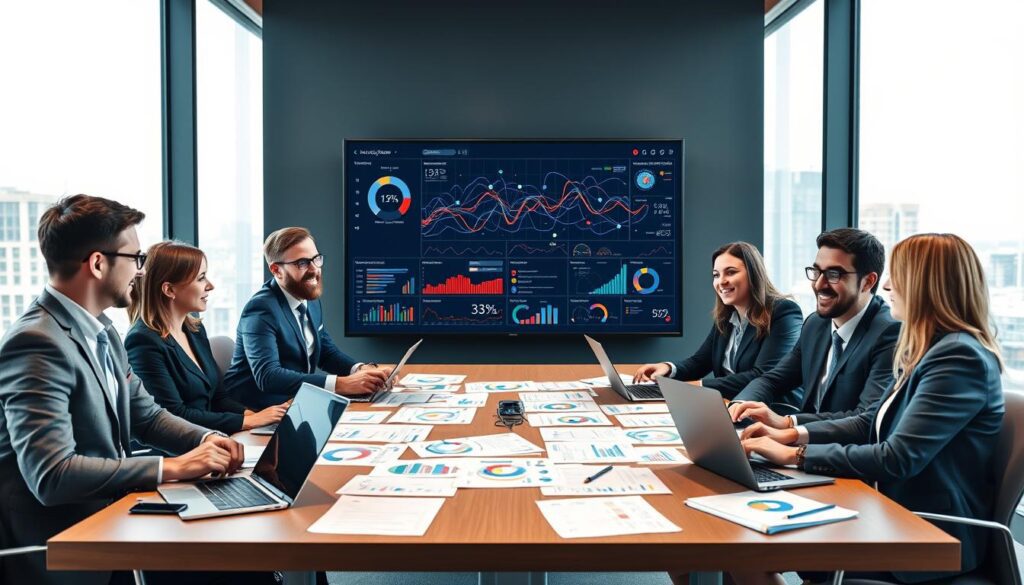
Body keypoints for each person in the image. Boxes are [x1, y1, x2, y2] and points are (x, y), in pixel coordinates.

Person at [0, 195, 246, 585]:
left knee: (240, 553)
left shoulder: (102, 331)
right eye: (136, 258)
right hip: (62, 546)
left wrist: (210, 438)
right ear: (98, 264)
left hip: (111, 518)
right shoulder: (36, 343)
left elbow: (146, 415)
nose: (140, 271)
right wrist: (172, 467)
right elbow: (52, 474)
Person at [741, 233, 1005, 584]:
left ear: (927, 285)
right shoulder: (927, 349)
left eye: (898, 275)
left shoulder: (958, 357)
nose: (889, 285)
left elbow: (897, 457)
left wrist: (794, 456)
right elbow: (869, 425)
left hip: (926, 531)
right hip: (890, 511)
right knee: (745, 541)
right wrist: (786, 435)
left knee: (751, 550)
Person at [728, 228, 901, 427]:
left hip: (841, 453)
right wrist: (740, 406)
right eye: (817, 271)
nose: (819, 284)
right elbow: (772, 380)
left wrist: (787, 423)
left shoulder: (889, 333)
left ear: (868, 282)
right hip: (799, 446)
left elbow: (864, 418)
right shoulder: (816, 324)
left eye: (834, 274)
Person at [125, 241, 288, 435]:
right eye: (201, 278)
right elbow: (173, 415)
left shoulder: (194, 330)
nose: (210, 285)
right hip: (183, 448)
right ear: (169, 290)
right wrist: (247, 421)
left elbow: (218, 398)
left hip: (214, 436)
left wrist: (255, 417)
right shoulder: (143, 342)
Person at [223, 227, 391, 409]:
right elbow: (268, 376)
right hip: (255, 411)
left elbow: (325, 352)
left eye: (316, 259)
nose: (314, 270)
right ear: (276, 270)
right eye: (302, 263)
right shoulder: (261, 310)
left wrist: (359, 370)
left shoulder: (308, 298)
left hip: (294, 403)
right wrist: (342, 384)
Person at [633, 242, 802, 398]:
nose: (721, 281)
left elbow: (762, 376)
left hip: (772, 412)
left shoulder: (783, 312)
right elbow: (700, 362)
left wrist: (694, 387)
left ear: (753, 274)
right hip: (731, 405)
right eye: (716, 275)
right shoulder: (728, 316)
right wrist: (669, 368)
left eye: (731, 272)